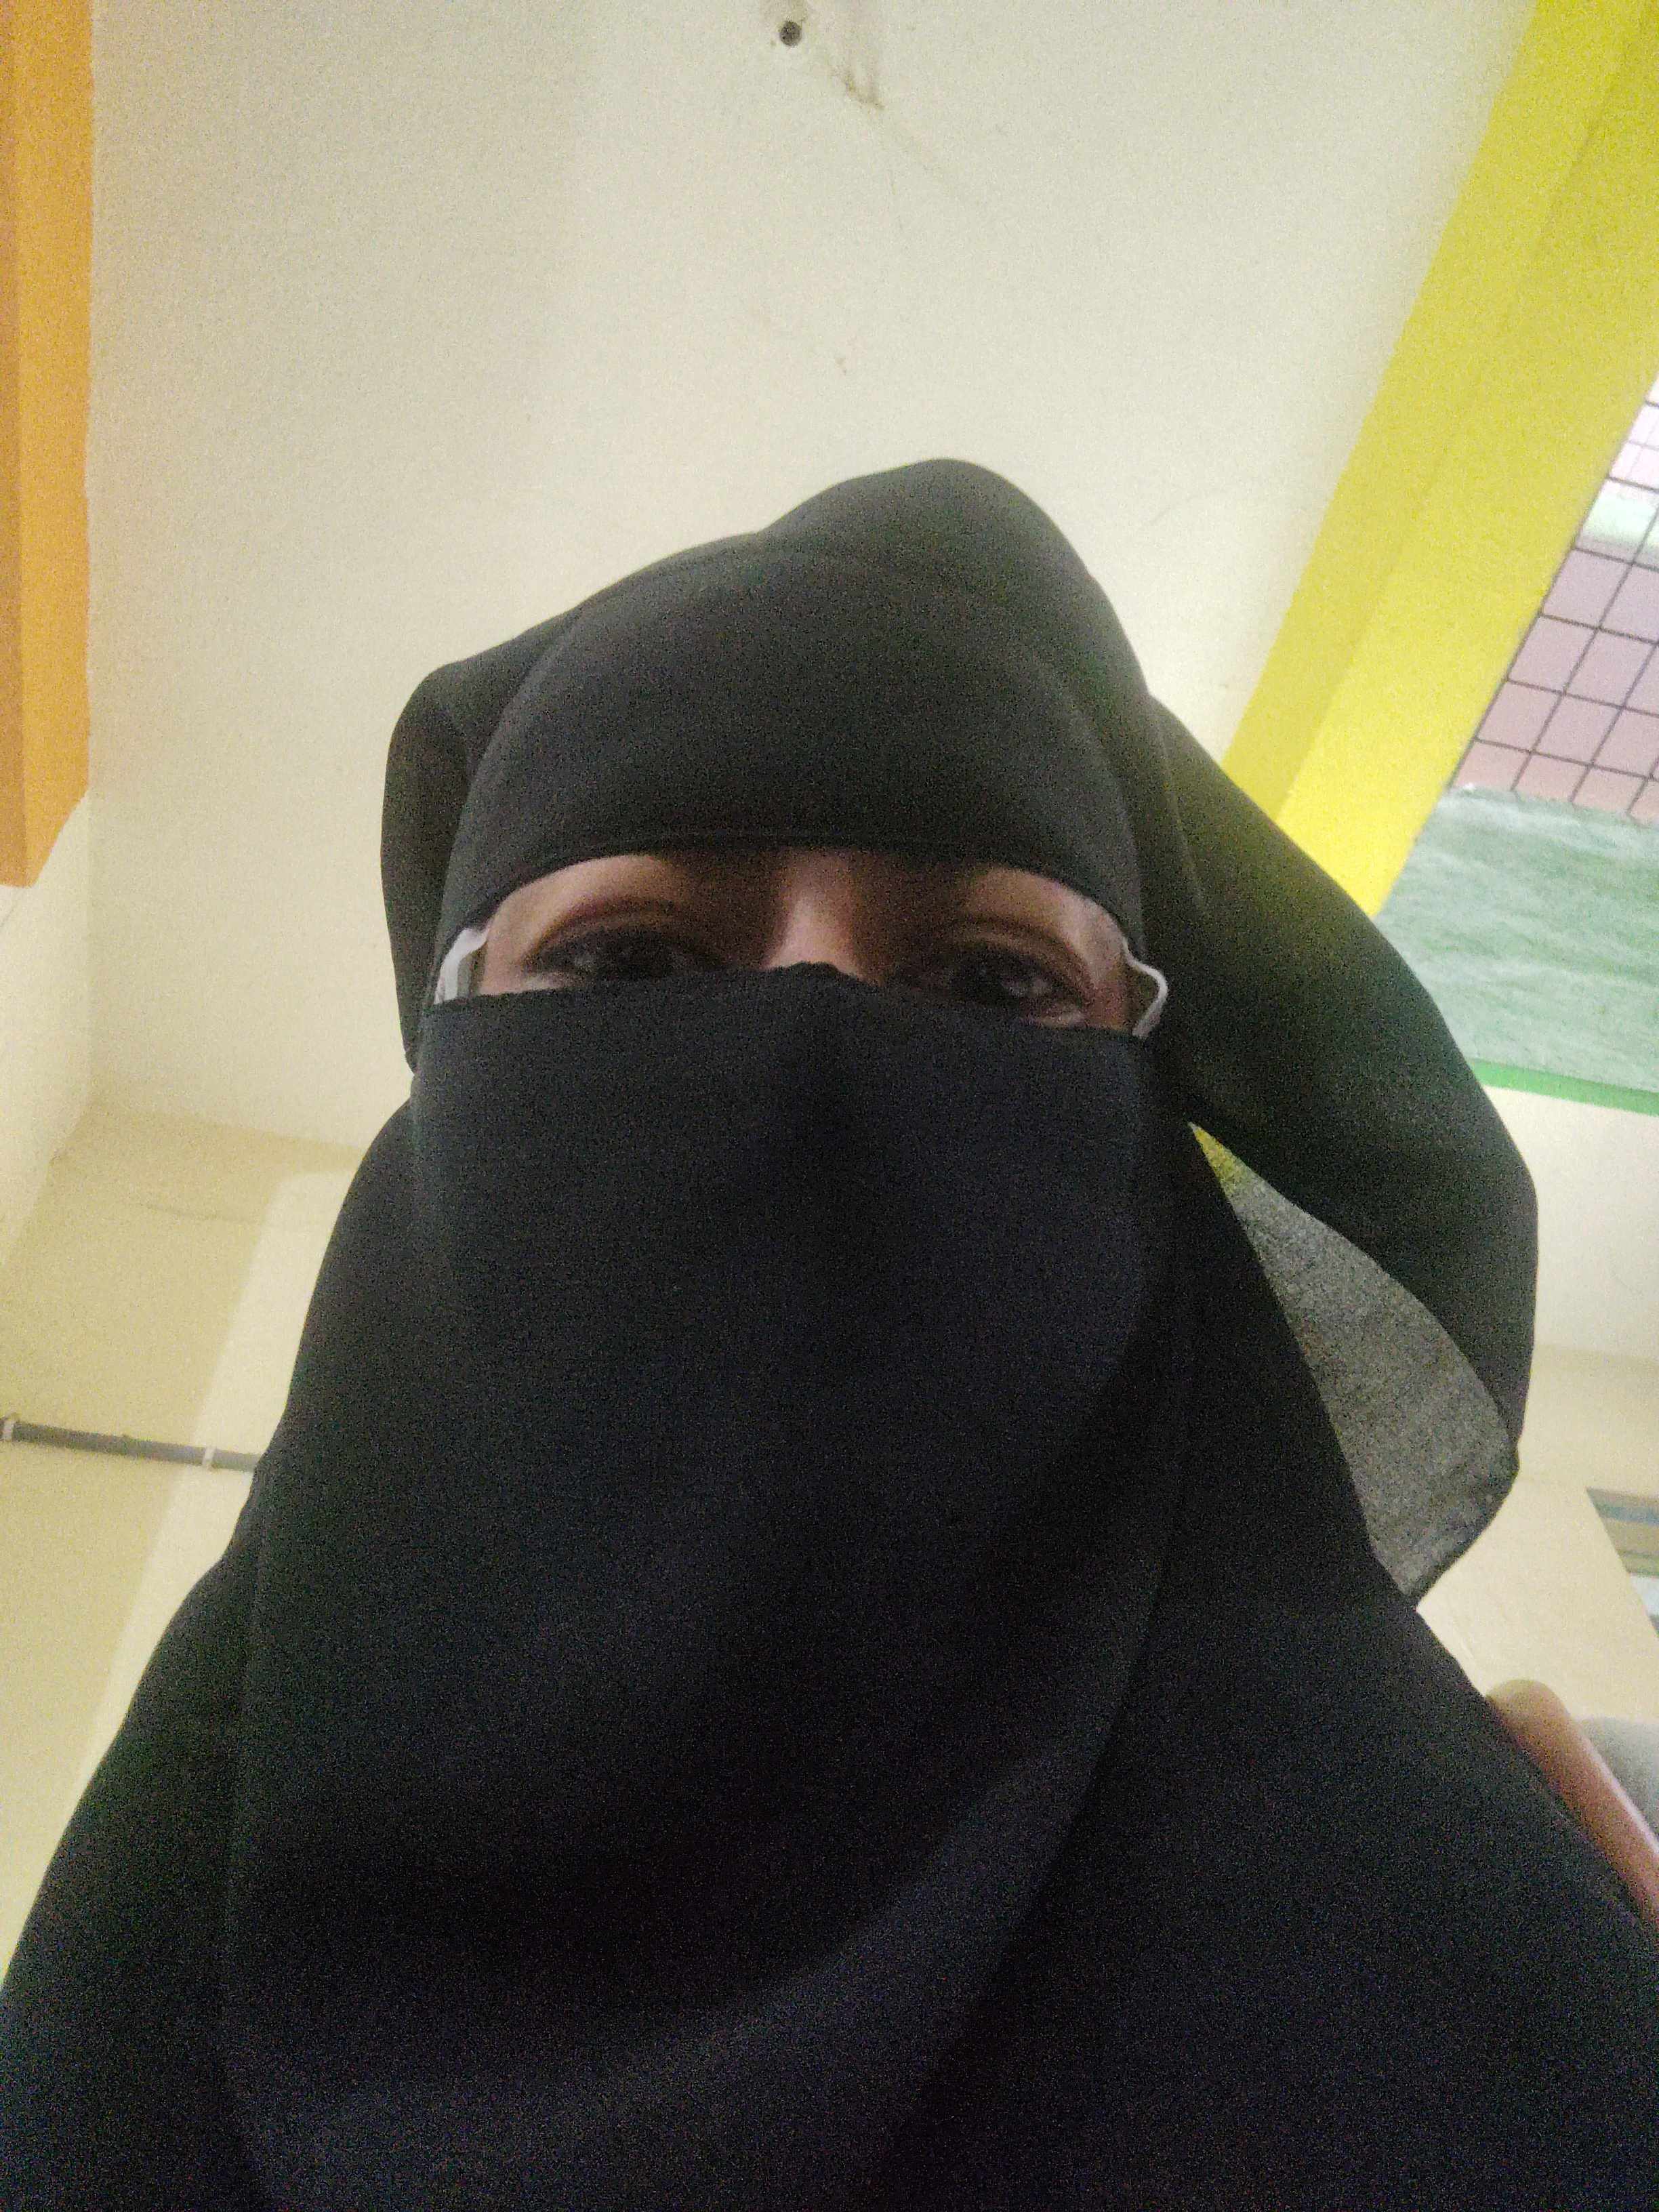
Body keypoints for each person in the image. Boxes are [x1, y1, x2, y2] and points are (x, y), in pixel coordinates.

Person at [3, 459, 1656, 2208]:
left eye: (994, 981)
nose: (808, 1052)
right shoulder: (162, 1953)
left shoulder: (1571, 1895)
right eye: (633, 965)